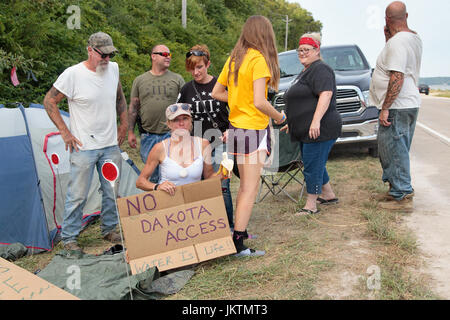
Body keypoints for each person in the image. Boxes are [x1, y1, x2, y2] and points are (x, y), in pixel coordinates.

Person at [43, 31, 128, 251]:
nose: (107, 60)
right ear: (90, 50)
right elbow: (50, 100)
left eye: (110, 55)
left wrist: (124, 124)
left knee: (111, 189)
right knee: (78, 194)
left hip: (110, 145)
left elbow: (120, 98)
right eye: (103, 55)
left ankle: (109, 228)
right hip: (83, 147)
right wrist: (64, 131)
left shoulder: (113, 69)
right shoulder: (73, 75)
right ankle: (69, 237)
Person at [212, 15, 286, 257]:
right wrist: (279, 117)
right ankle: (238, 243)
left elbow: (216, 92)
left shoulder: (234, 59)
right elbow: (260, 101)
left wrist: (236, 100)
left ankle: (237, 235)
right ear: (265, 35)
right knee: (249, 189)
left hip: (235, 129)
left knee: (243, 186)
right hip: (253, 129)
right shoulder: (259, 61)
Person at [369, 1, 422, 211]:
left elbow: (397, 76)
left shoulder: (398, 42)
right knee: (394, 149)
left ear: (387, 19)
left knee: (395, 149)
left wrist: (385, 107)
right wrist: (388, 37)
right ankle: (396, 190)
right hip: (407, 103)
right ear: (406, 16)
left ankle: (402, 196)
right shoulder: (412, 38)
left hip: (397, 105)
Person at [283, 32, 342, 215]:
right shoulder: (306, 71)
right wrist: (292, 122)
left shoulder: (321, 69)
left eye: (307, 49)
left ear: (317, 50)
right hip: (305, 129)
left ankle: (311, 205)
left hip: (320, 128)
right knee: (315, 162)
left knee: (312, 165)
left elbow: (326, 94)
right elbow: (303, 100)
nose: (302, 53)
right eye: (300, 50)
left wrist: (315, 121)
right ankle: (328, 194)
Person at [177, 44, 234, 230]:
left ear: (208, 64)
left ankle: (230, 228)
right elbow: (179, 117)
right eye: (192, 68)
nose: (195, 72)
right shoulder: (186, 90)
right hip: (197, 145)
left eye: (199, 66)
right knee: (201, 185)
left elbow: (238, 109)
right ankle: (207, 228)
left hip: (221, 142)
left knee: (222, 184)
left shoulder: (221, 85)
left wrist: (231, 130)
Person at [128, 44, 185, 183]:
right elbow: (134, 107)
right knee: (152, 176)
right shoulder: (140, 80)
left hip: (171, 135)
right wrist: (130, 132)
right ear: (153, 56)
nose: (168, 57)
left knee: (173, 175)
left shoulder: (177, 79)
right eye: (164, 54)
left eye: (169, 55)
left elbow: (185, 109)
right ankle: (158, 204)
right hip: (148, 136)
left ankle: (175, 204)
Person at [136, 103, 219, 193]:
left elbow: (209, 177)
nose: (181, 123)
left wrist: (223, 174)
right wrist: (157, 186)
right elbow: (140, 182)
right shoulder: (159, 148)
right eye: (176, 120)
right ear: (169, 124)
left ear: (191, 121)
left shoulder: (203, 144)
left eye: (185, 118)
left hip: (195, 202)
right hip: (170, 202)